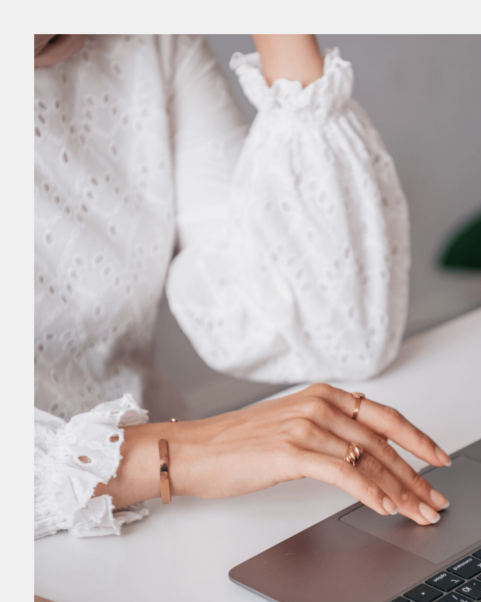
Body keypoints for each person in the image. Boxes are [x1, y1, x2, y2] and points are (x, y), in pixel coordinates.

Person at [35, 34, 451, 540]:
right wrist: (189, 452)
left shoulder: (147, 39)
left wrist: (283, 32)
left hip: (164, 521)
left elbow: (341, 334)